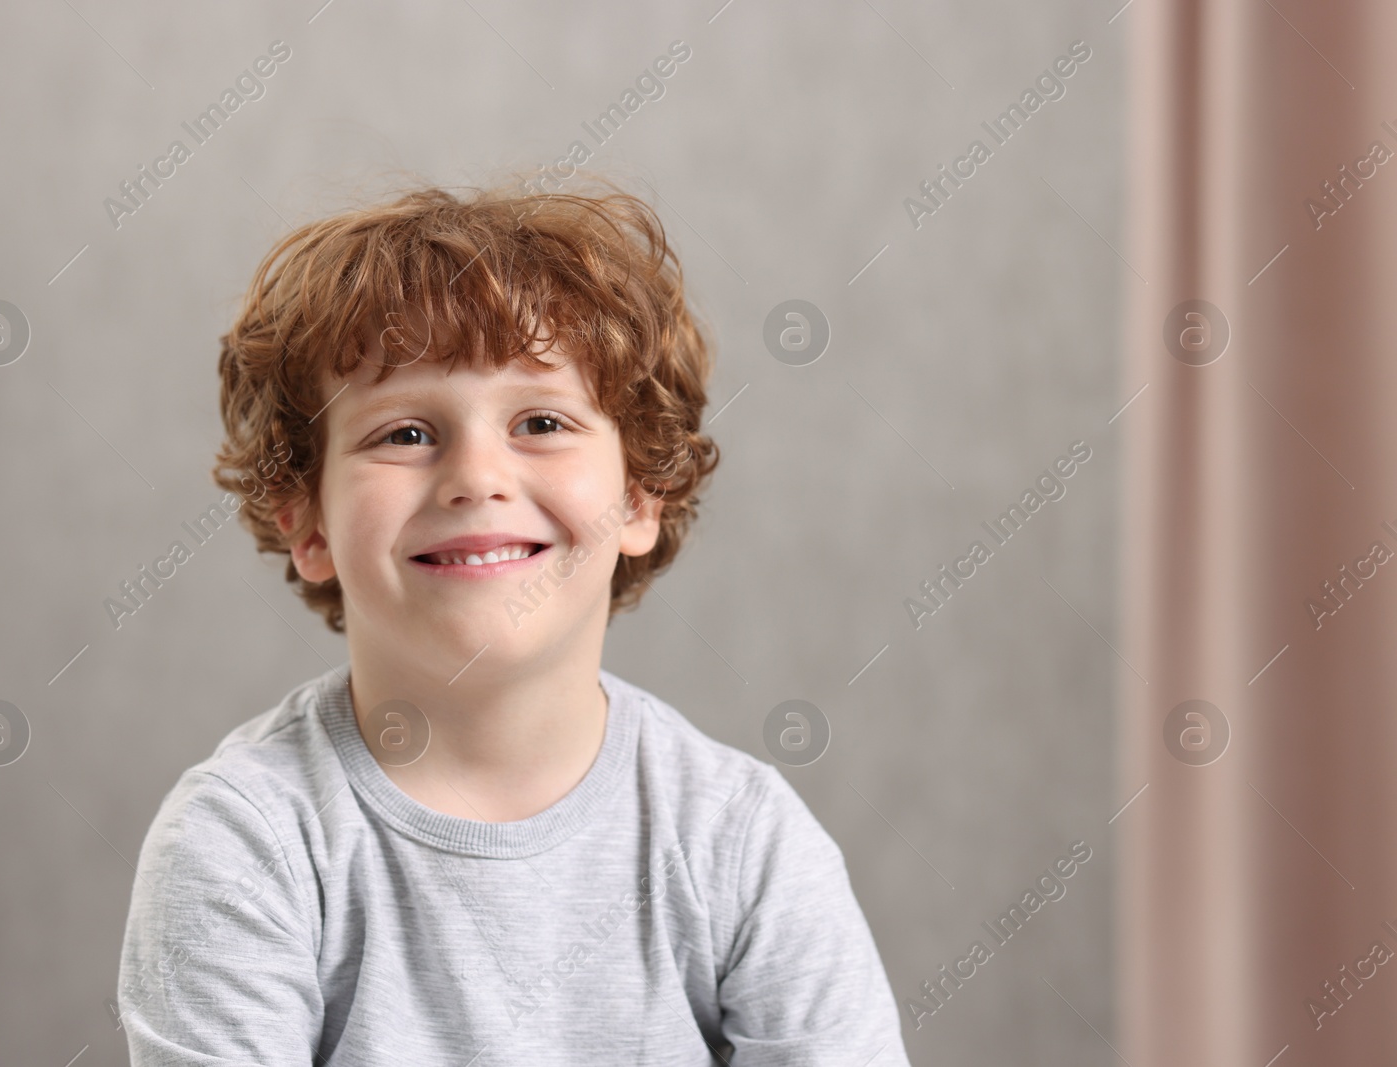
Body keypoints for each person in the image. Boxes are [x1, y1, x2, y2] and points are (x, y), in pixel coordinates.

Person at [116, 175, 912, 1065]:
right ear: (305, 520)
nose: (476, 477)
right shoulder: (246, 839)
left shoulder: (742, 841)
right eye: (405, 433)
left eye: (540, 420)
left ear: (641, 493)